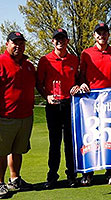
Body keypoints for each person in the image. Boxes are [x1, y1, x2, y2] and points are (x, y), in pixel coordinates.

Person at [71, 22, 111, 186]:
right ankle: (87, 173)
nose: (101, 35)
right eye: (98, 33)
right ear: (94, 35)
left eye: (104, 33)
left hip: (110, 102)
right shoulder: (86, 53)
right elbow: (81, 76)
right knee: (90, 136)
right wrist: (81, 84)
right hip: (90, 102)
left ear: (108, 35)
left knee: (110, 135)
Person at [36, 29, 79, 189]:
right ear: (52, 41)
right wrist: (46, 96)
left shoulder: (74, 60)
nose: (60, 41)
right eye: (57, 39)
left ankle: (72, 176)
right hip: (52, 105)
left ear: (67, 41)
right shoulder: (45, 60)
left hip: (69, 105)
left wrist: (76, 86)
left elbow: (77, 81)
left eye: (62, 38)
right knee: (54, 143)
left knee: (70, 142)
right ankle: (52, 176)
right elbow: (39, 83)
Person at [0, 32, 35, 198]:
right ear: (7, 44)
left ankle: (14, 179)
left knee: (18, 150)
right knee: (1, 151)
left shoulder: (28, 65)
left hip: (26, 116)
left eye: (21, 43)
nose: (18, 46)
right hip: (5, 116)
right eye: (15, 43)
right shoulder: (1, 61)